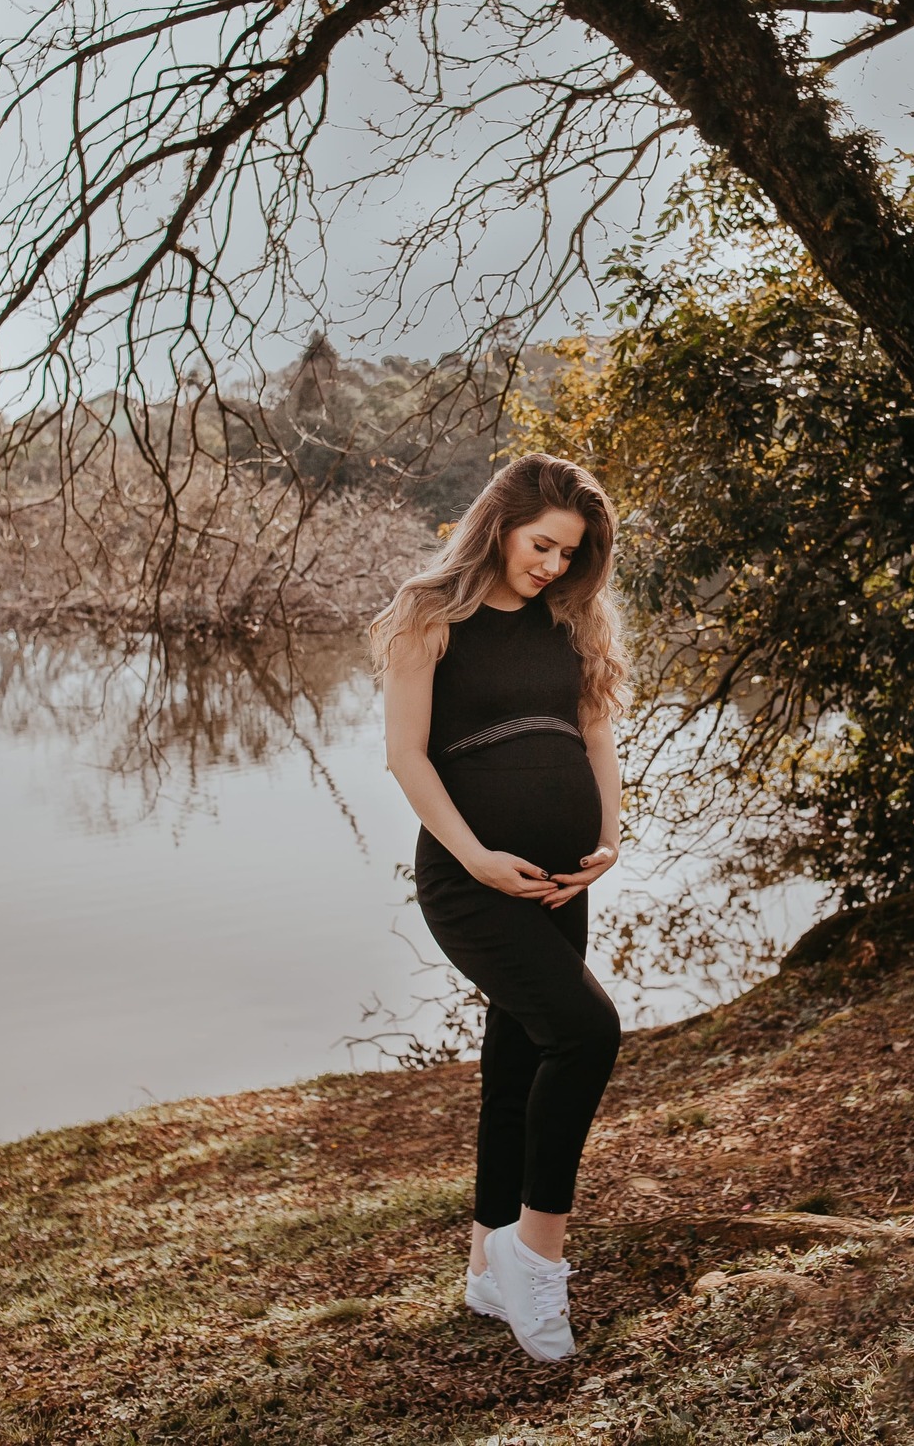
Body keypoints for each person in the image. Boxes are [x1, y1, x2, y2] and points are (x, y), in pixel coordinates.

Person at [370, 451, 628, 1362]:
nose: (555, 565)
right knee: (587, 1033)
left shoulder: (572, 622)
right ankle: (536, 1256)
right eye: (543, 545)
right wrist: (475, 856)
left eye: (571, 553)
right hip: (470, 881)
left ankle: (487, 1264)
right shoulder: (429, 614)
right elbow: (407, 756)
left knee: (518, 1060)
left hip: (560, 876)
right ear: (501, 523)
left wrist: (608, 840)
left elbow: (596, 736)